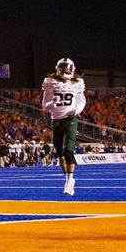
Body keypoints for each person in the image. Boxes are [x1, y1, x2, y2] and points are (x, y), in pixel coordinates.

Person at [42, 58, 86, 195]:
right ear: (58, 68)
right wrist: (52, 103)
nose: (65, 70)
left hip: (70, 119)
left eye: (67, 67)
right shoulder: (51, 83)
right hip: (56, 120)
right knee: (60, 155)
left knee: (68, 151)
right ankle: (68, 179)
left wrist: (77, 110)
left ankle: (69, 181)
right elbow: (44, 106)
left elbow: (81, 101)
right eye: (63, 67)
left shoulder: (77, 83)